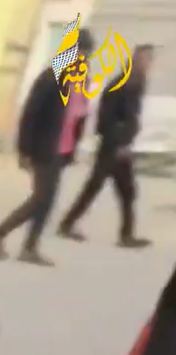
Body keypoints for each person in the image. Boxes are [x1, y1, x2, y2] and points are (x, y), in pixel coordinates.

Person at [0, 29, 96, 267]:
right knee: (41, 199)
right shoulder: (51, 77)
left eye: (86, 53)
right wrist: (24, 150)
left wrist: (73, 148)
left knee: (46, 200)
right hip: (43, 148)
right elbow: (30, 115)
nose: (82, 57)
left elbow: (79, 116)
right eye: (79, 52)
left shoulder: (82, 80)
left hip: (62, 149)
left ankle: (29, 247)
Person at [57, 45, 155, 249]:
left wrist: (127, 141)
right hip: (113, 146)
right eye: (145, 59)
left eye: (149, 60)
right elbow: (106, 118)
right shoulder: (122, 83)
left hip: (121, 146)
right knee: (97, 187)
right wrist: (119, 143)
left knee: (125, 190)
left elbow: (130, 117)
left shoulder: (136, 83)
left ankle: (125, 234)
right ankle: (69, 224)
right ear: (135, 60)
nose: (148, 64)